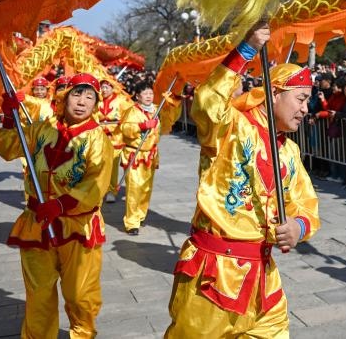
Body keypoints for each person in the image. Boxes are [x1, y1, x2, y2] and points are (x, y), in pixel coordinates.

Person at [165, 23, 319, 338]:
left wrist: (297, 227)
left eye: (308, 101)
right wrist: (246, 50)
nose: (306, 109)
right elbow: (207, 104)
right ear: (275, 92)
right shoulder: (230, 128)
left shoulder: (289, 151)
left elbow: (305, 204)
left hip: (264, 281)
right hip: (214, 275)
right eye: (301, 99)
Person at [0, 73, 114, 339]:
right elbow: (8, 148)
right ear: (63, 97)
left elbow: (96, 184)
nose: (82, 102)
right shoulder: (42, 129)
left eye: (89, 97)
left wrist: (60, 205)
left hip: (78, 227)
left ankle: (82, 334)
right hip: (37, 223)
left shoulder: (98, 139)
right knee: (38, 295)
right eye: (76, 94)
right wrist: (8, 117)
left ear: (96, 103)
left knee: (80, 294)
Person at [119, 81, 179, 235]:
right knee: (134, 188)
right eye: (145, 93)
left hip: (151, 154)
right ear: (138, 96)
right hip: (135, 153)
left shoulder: (156, 109)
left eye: (150, 93)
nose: (148, 96)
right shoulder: (131, 111)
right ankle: (131, 222)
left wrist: (173, 104)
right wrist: (142, 126)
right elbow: (125, 128)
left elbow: (168, 121)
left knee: (146, 188)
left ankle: (140, 215)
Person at [98, 78, 132, 203]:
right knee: (99, 166)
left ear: (113, 88)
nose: (104, 90)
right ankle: (100, 189)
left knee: (112, 167)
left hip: (116, 140)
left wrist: (122, 123)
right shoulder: (97, 101)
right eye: (102, 87)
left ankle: (112, 190)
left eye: (107, 87)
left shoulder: (121, 101)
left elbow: (130, 114)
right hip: (100, 139)